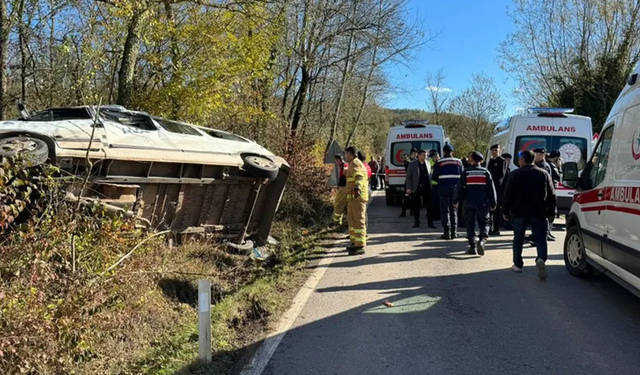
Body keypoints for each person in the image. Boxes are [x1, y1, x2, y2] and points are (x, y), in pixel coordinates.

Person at [502, 150, 556, 279]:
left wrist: (505, 211)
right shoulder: (543, 174)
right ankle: (541, 258)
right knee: (540, 238)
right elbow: (551, 194)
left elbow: (507, 194)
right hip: (539, 211)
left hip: (518, 211)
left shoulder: (515, 174)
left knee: (518, 238)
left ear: (522, 160)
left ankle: (518, 264)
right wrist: (551, 212)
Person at [453, 151, 496, 256]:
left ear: (472, 159)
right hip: (483, 203)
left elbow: (458, 188)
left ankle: (472, 246)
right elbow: (491, 189)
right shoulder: (486, 172)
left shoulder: (466, 172)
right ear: (481, 161)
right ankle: (482, 240)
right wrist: (494, 202)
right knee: (485, 222)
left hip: (469, 202)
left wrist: (455, 200)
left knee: (470, 224)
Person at [432, 144, 464, 240]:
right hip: (455, 190)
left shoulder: (439, 162)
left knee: (445, 211)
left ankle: (447, 232)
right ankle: (454, 232)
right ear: (452, 152)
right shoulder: (458, 162)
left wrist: (442, 181)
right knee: (454, 210)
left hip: (443, 189)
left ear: (444, 152)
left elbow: (434, 177)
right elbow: (462, 176)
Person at [345, 146, 368, 255]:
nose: (345, 156)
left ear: (350, 153)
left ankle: (360, 246)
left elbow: (359, 177)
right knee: (352, 221)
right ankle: (355, 243)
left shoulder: (355, 163)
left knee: (358, 221)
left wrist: (357, 188)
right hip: (353, 199)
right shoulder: (352, 164)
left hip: (357, 197)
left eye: (346, 154)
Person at [406, 150, 435, 228]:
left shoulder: (428, 163)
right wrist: (408, 187)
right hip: (416, 187)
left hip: (427, 187)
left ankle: (430, 222)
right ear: (418, 155)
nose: (424, 157)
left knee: (429, 206)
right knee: (416, 206)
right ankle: (416, 222)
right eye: (423, 155)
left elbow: (430, 175)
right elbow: (408, 177)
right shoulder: (412, 164)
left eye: (425, 155)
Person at [533, 147, 556, 242]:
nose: (534, 156)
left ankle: (542, 236)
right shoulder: (537, 164)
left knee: (541, 218)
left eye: (536, 154)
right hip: (537, 195)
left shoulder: (544, 166)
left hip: (542, 196)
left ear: (542, 155)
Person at [487, 144, 508, 236]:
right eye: (493, 150)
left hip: (497, 187)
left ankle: (496, 228)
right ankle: (489, 227)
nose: (494, 152)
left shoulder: (502, 161)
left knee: (496, 209)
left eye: (496, 150)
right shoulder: (491, 161)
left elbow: (501, 175)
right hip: (490, 187)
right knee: (490, 208)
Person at [400, 148, 418, 217]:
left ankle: (412, 212)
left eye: (416, 153)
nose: (415, 154)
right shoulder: (408, 161)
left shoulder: (417, 161)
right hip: (408, 182)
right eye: (413, 153)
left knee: (414, 198)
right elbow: (407, 169)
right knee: (406, 197)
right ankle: (403, 212)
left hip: (415, 182)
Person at [332, 155, 349, 228]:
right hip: (345, 188)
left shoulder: (344, 166)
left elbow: (346, 176)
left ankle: (337, 222)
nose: (335, 163)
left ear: (338, 160)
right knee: (348, 206)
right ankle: (348, 222)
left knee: (338, 204)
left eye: (335, 161)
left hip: (344, 188)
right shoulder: (344, 165)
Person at [500, 152, 513, 230]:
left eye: (509, 160)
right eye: (507, 160)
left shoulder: (508, 170)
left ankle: (507, 223)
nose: (509, 162)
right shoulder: (501, 169)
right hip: (501, 192)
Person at [428, 150, 441, 221]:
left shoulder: (441, 163)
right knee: (433, 201)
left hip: (439, 184)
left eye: (434, 157)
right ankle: (434, 215)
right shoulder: (429, 163)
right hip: (432, 185)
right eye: (432, 157)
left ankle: (438, 215)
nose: (433, 158)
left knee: (438, 201)